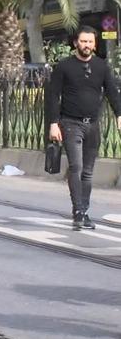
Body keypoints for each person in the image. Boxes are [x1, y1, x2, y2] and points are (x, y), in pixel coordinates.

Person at [47, 25, 121, 230]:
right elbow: (53, 96)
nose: (87, 45)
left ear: (95, 44)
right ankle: (78, 211)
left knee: (88, 172)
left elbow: (112, 92)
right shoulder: (64, 66)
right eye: (83, 41)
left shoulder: (101, 66)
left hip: (93, 124)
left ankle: (84, 211)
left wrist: (119, 114)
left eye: (90, 42)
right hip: (70, 123)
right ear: (75, 43)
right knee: (76, 167)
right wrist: (53, 124)